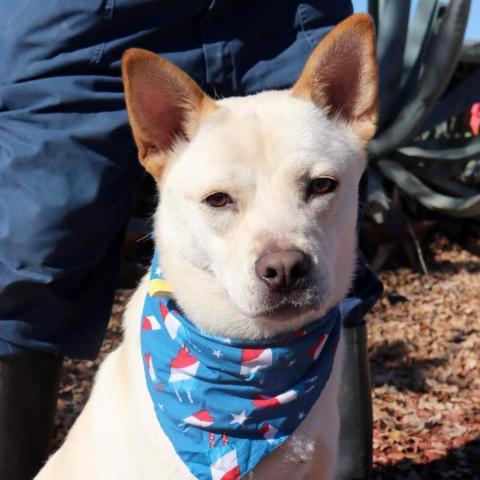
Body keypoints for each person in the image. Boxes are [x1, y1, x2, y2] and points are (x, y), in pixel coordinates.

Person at [0, 2, 382, 479]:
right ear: (161, 140)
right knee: (27, 257)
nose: (282, 257)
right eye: (221, 199)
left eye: (319, 186)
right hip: (84, 15)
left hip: (283, 12)